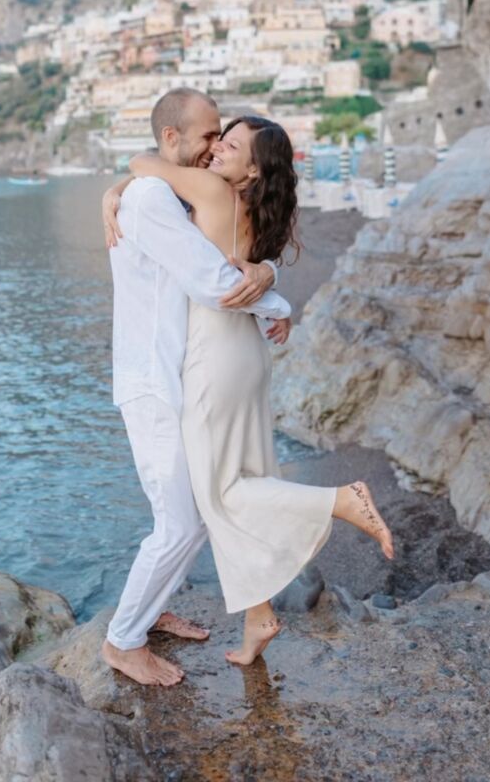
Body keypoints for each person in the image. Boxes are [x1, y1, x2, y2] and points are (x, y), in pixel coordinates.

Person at [115, 109, 394, 668]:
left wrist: (123, 183)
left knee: (221, 495)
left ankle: (342, 500)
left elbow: (144, 161)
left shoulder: (213, 194)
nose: (217, 149)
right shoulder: (251, 211)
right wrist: (269, 279)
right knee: (247, 478)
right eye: (217, 138)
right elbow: (245, 266)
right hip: (246, 353)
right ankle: (258, 615)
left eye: (231, 144)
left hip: (212, 357)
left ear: (251, 171)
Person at [101, 88, 291, 687]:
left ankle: (150, 612)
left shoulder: (160, 190)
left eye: (222, 137)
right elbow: (214, 283)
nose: (214, 147)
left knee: (187, 512)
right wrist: (276, 297)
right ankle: (122, 642)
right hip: (153, 381)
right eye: (209, 136)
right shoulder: (155, 196)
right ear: (171, 140)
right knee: (181, 521)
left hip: (175, 374)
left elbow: (228, 246)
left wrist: (268, 268)